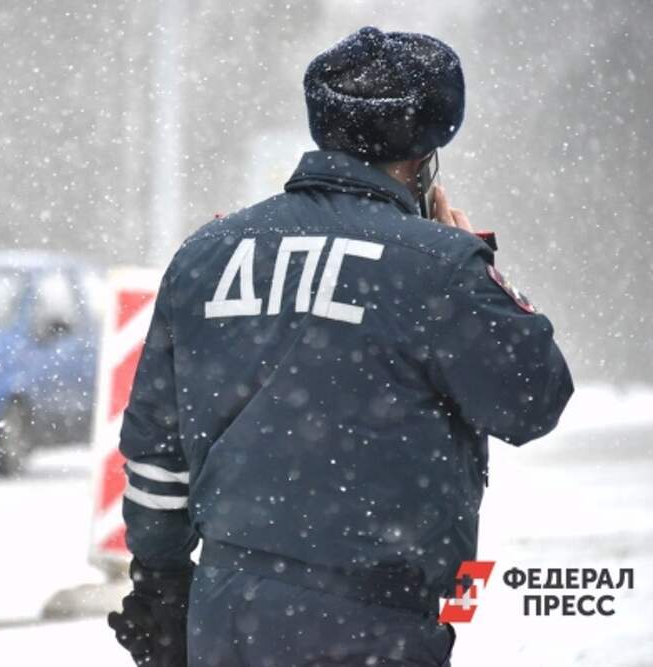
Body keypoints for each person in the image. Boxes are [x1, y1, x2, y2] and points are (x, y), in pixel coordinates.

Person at [108, 26, 573, 667]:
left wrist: (160, 584)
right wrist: (477, 266)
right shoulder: (437, 266)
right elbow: (532, 401)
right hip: (375, 621)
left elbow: (158, 455)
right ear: (425, 156)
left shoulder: (206, 255)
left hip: (227, 609)